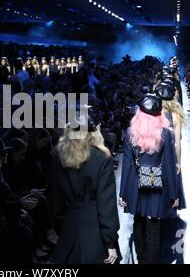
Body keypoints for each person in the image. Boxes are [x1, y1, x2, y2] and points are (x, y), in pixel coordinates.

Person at [50, 109, 120, 264]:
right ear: (93, 132)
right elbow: (106, 204)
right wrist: (110, 241)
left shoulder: (58, 158)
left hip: (70, 227)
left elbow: (56, 202)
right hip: (95, 231)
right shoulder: (101, 158)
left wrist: (62, 228)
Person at [119, 94, 179, 264]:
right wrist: (173, 194)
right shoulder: (165, 134)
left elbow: (127, 165)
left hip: (134, 183)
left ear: (139, 113)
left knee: (138, 223)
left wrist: (123, 192)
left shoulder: (131, 133)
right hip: (156, 183)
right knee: (154, 227)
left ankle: (142, 260)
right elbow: (169, 165)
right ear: (159, 114)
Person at [155, 83, 186, 210]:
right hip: (170, 153)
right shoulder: (175, 114)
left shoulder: (153, 112)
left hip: (155, 151)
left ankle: (154, 209)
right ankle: (169, 206)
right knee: (170, 181)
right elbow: (177, 142)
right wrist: (178, 161)